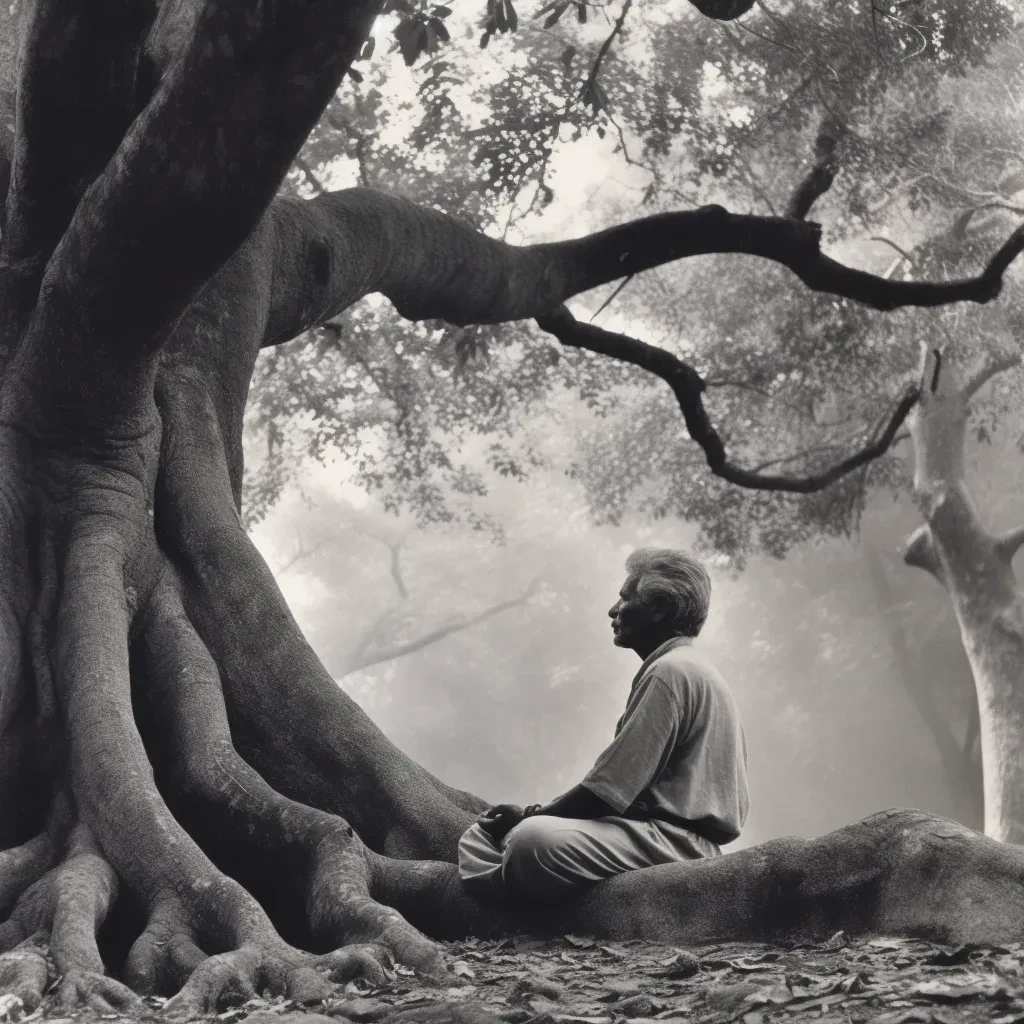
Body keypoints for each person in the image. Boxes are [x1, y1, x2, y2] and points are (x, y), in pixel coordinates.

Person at [458, 547, 748, 902]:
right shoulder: (691, 666)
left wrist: (528, 816)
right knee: (487, 835)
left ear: (658, 609)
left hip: (671, 845)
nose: (613, 610)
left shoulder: (669, 672)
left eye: (625, 598)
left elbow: (607, 793)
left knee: (527, 840)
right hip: (660, 838)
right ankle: (512, 882)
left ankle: (506, 901)